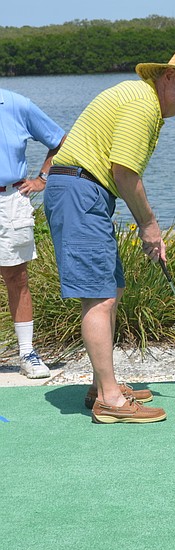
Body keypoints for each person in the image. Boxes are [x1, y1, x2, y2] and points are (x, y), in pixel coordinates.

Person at [43, 45, 175, 423]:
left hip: (85, 191)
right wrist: (149, 225)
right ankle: (110, 399)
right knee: (100, 296)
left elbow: (119, 174)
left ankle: (101, 386)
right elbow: (124, 172)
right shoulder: (143, 103)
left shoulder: (142, 100)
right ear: (169, 76)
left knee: (113, 288)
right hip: (80, 190)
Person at [0, 88, 67, 379]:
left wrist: (42, 178)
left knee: (17, 278)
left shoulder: (17, 104)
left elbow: (60, 141)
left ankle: (27, 353)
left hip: (11, 200)